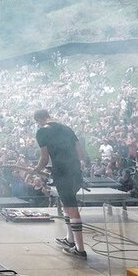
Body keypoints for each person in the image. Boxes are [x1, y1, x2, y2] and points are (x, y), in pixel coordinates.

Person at [33, 108, 89, 259]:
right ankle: (70, 239)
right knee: (66, 204)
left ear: (39, 119)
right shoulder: (67, 129)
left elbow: (44, 158)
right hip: (75, 171)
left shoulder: (42, 132)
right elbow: (81, 153)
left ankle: (80, 249)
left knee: (71, 208)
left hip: (62, 173)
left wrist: (36, 170)